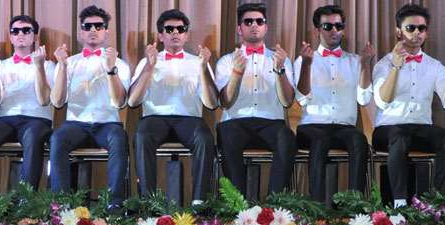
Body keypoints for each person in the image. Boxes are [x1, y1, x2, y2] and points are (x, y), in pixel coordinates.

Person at [373, 4, 445, 207]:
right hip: (387, 130)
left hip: (421, 129)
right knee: (400, 136)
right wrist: (396, 68)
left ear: (426, 33)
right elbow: (383, 100)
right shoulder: (384, 64)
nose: (417, 33)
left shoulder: (434, 66)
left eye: (421, 28)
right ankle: (399, 203)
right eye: (411, 28)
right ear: (398, 32)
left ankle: (437, 204)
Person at [128, 9, 217, 205]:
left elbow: (211, 104)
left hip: (189, 119)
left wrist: (203, 69)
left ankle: (199, 201)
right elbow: (132, 102)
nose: (175, 32)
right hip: (155, 119)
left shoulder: (198, 62)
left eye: (180, 29)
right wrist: (149, 68)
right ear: (161, 36)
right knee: (141, 136)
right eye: (169, 29)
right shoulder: (148, 61)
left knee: (204, 137)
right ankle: (148, 202)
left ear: (186, 35)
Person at [49, 5, 131, 208]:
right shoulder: (69, 62)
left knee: (119, 139)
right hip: (76, 124)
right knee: (57, 138)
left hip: (107, 124)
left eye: (98, 26)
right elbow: (57, 102)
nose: (93, 30)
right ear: (81, 32)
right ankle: (61, 205)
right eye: (88, 26)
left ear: (106, 31)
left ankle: (115, 204)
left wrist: (111, 69)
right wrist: (61, 66)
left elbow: (120, 102)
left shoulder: (119, 63)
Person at [294, 5, 375, 203]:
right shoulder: (303, 60)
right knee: (320, 140)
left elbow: (363, 99)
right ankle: (317, 207)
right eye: (328, 26)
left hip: (343, 127)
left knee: (359, 140)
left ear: (343, 30)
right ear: (317, 30)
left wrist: (365, 66)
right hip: (311, 126)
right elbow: (302, 99)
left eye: (338, 26)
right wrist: (306, 65)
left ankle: (354, 205)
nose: (334, 31)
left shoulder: (355, 61)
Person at [215, 2, 297, 199]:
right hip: (236, 122)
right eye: (248, 21)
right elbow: (225, 102)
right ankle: (238, 207)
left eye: (259, 21)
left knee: (286, 137)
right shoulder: (227, 61)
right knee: (228, 136)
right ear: (239, 29)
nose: (254, 25)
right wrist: (237, 72)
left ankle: (274, 207)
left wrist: (279, 70)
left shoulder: (280, 59)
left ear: (266, 27)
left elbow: (287, 101)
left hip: (271, 123)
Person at [0, 15, 54, 204]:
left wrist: (38, 67)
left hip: (37, 119)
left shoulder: (49, 65)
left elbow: (44, 100)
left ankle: (26, 199)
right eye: (15, 31)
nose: (20, 34)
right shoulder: (1, 65)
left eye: (26, 30)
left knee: (32, 137)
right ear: (10, 37)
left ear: (34, 36)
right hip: (7, 118)